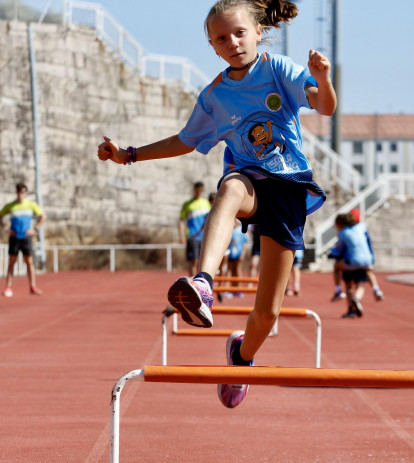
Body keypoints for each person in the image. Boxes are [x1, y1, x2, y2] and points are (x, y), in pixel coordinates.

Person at [97, 0, 336, 409]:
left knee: (267, 314)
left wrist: (322, 78)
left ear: (258, 31)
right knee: (229, 189)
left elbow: (325, 106)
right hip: (250, 181)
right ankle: (204, 284)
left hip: (289, 188)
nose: (233, 43)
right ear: (212, 47)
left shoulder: (277, 70)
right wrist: (130, 154)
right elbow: (184, 140)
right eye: (222, 38)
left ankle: (241, 356)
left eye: (239, 33)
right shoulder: (216, 95)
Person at [0, 182, 45, 297]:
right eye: (18, 192)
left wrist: (35, 229)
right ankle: (8, 287)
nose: (20, 194)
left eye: (22, 192)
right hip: (14, 237)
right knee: (12, 262)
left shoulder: (31, 205)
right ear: (16, 192)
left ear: (26, 193)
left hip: (26, 237)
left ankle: (33, 286)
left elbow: (43, 216)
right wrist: (6, 228)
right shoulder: (10, 206)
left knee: (29, 262)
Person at [330, 208, 383, 301]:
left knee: (337, 268)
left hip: (352, 261)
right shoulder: (362, 227)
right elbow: (368, 243)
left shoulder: (343, 233)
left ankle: (338, 290)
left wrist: (333, 254)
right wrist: (372, 260)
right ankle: (376, 289)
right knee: (367, 273)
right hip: (367, 260)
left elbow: (340, 248)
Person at [179, 182, 211, 276]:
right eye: (198, 190)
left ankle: (199, 283)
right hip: (192, 236)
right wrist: (182, 235)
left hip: (204, 237)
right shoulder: (187, 204)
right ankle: (193, 282)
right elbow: (181, 220)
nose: (199, 192)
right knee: (194, 261)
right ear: (194, 190)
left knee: (203, 263)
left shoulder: (206, 203)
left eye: (201, 190)